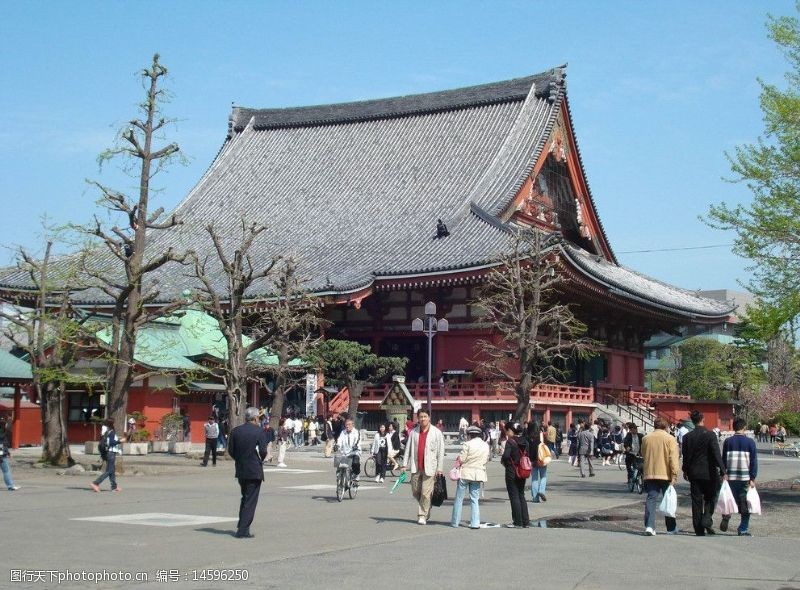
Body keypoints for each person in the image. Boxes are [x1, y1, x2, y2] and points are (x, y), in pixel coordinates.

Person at [682, 410, 726, 536]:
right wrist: (723, 471)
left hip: (694, 472)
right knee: (711, 497)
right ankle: (706, 518)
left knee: (696, 501)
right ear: (703, 419)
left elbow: (686, 456)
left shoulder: (687, 437)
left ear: (692, 421)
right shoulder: (710, 435)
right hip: (709, 472)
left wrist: (685, 470)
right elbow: (716, 454)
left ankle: (698, 529)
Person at [227, 407, 269, 539]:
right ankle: (243, 530)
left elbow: (231, 450)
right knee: (250, 500)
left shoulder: (236, 431)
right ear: (256, 418)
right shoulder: (259, 431)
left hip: (241, 469)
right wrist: (260, 460)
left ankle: (242, 526)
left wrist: (240, 460)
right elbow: (263, 451)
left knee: (245, 498)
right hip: (254, 469)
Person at [402, 409, 445, 525]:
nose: (423, 419)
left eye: (425, 416)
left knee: (426, 492)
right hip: (416, 466)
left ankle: (422, 515)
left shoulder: (436, 433)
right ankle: (427, 505)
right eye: (421, 417)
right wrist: (404, 464)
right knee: (416, 491)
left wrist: (439, 468)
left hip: (430, 466)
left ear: (429, 418)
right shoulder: (413, 432)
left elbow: (441, 451)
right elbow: (408, 449)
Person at [641, 417, 679, 536]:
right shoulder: (670, 439)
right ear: (666, 427)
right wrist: (675, 474)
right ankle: (671, 527)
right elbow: (673, 458)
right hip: (665, 473)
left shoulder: (646, 438)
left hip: (650, 472)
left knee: (651, 499)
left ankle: (650, 526)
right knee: (668, 500)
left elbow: (643, 453)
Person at [720, 418, 758, 536]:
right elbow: (753, 461)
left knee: (729, 499)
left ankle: (726, 515)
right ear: (744, 427)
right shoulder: (750, 442)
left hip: (730, 477)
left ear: (733, 427)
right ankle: (743, 528)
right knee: (745, 504)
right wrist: (752, 477)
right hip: (744, 477)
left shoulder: (728, 441)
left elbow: (723, 460)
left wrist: (723, 473)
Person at [451, 425, 489, 529]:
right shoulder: (485, 445)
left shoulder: (467, 444)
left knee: (459, 498)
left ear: (469, 434)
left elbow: (462, 459)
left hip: (466, 473)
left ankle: (455, 522)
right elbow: (486, 459)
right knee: (474, 499)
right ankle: (475, 523)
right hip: (478, 474)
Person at [500, 421, 530, 528]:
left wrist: (505, 462)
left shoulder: (510, 442)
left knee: (514, 496)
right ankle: (525, 521)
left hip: (512, 471)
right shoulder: (525, 442)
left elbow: (506, 456)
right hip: (523, 471)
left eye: (507, 431)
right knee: (521, 495)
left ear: (511, 430)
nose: (506, 433)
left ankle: (517, 521)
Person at [91, 419, 123, 493]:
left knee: (112, 470)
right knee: (109, 471)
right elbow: (111, 443)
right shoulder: (111, 432)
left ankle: (114, 487)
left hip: (109, 453)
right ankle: (95, 483)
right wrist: (120, 441)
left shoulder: (106, 432)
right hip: (111, 453)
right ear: (112, 424)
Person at [0, 417, 19, 491]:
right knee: (6, 470)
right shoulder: (3, 433)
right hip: (1, 453)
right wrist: (5, 453)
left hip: (2, 451)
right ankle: (10, 485)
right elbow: (2, 445)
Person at [531, 426, 548, 503]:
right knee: (543, 476)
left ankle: (535, 498)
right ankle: (541, 490)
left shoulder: (530, 437)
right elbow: (547, 446)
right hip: (542, 459)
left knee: (534, 479)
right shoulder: (543, 436)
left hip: (533, 460)